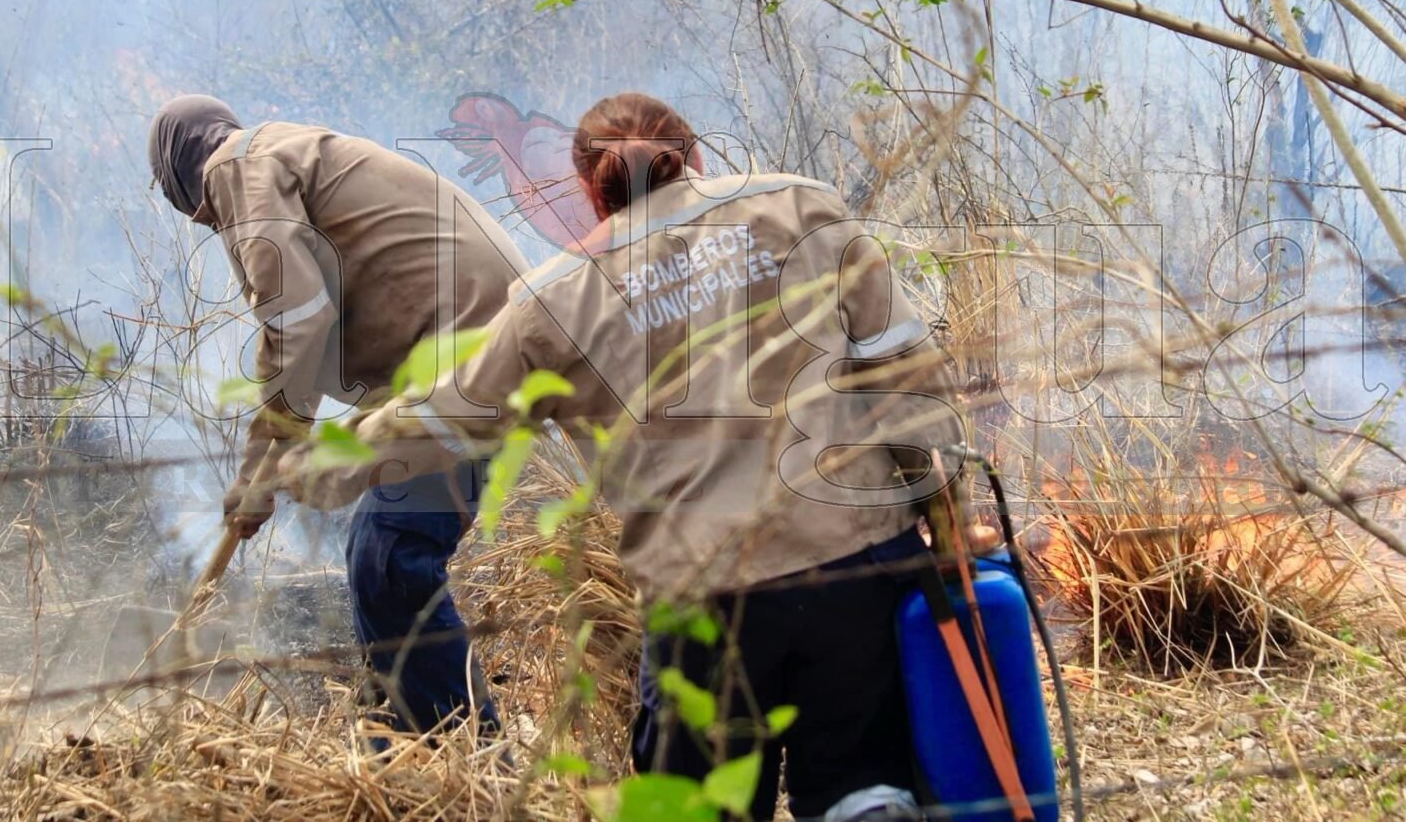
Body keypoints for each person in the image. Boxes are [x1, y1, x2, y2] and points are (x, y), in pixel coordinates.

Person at [277, 92, 966, 819]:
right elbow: (906, 380)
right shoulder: (801, 209)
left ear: (588, 189)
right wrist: (949, 517)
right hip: (857, 571)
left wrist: (324, 466)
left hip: (705, 613)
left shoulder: (555, 299)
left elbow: (445, 418)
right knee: (865, 795)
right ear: (694, 155)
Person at [146, 95, 528, 742]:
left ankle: (470, 761)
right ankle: (403, 746)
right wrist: (266, 472)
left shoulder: (238, 167)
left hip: (465, 355)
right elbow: (308, 322)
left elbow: (297, 321)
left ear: (181, 177)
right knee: (384, 557)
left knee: (389, 558)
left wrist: (256, 467)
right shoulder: (279, 152)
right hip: (482, 348)